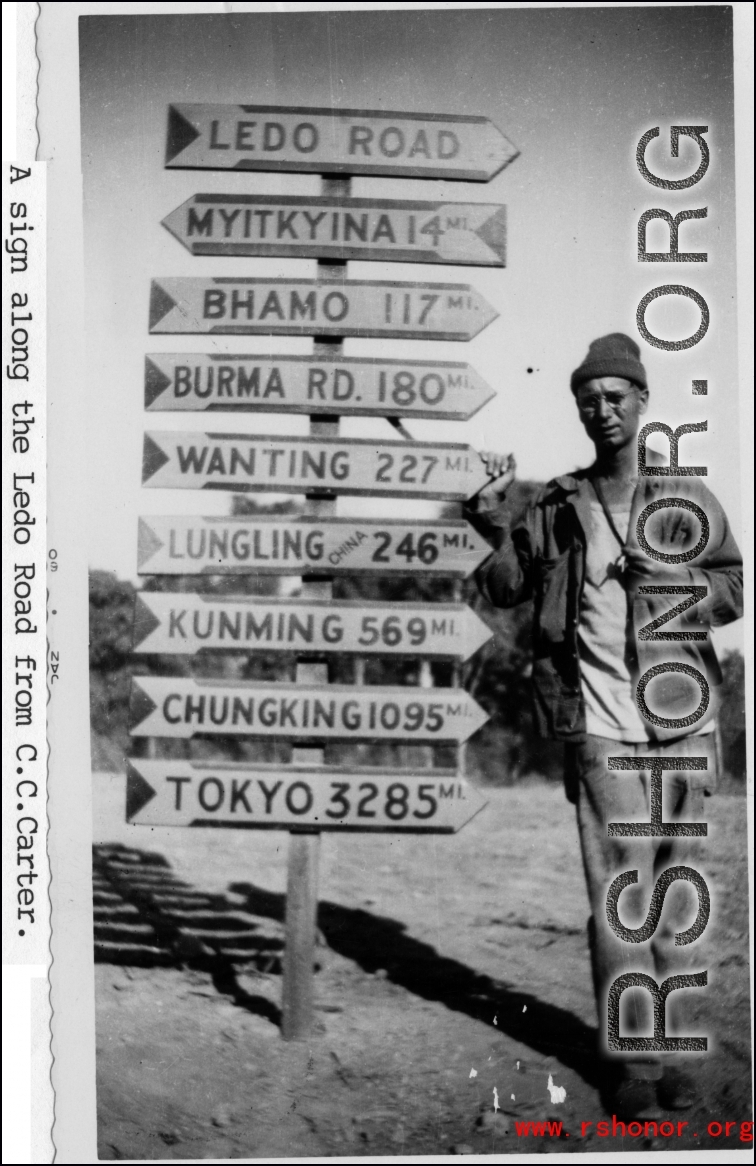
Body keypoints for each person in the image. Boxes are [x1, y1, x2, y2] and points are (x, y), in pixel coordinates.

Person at [466, 333, 743, 1120]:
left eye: (617, 396)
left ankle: (680, 1052)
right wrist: (490, 522)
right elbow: (507, 582)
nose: (603, 409)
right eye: (590, 398)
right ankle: (636, 1068)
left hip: (683, 726)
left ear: (643, 403)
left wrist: (674, 584)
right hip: (601, 726)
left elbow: (734, 588)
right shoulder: (560, 504)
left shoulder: (686, 497)